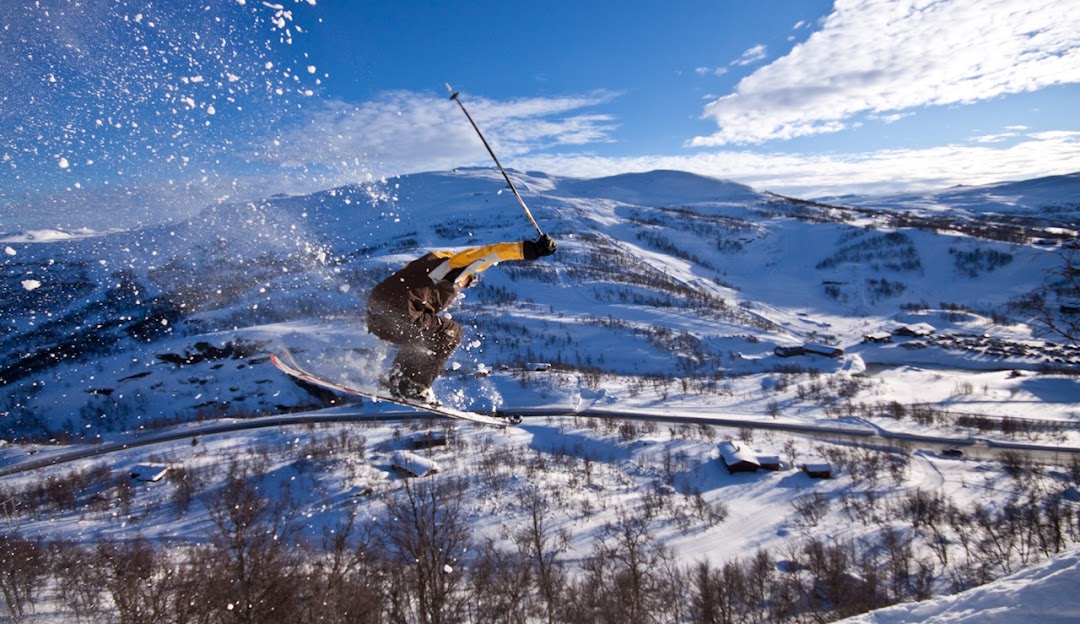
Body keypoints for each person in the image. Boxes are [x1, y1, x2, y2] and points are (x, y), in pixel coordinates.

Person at [366, 234, 557, 404]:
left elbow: (398, 289)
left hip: (376, 318)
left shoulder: (421, 268)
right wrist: (529, 250)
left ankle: (398, 380)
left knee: (425, 336)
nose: (465, 287)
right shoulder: (451, 267)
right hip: (403, 314)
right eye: (470, 281)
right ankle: (414, 384)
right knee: (451, 332)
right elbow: (488, 254)